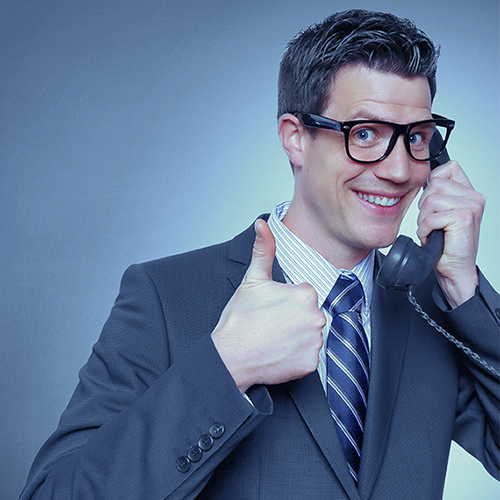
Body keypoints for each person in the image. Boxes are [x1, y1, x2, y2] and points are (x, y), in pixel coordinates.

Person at [20, 9, 499, 500]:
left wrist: (464, 284)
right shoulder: (165, 297)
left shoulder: (436, 307)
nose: (400, 171)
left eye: (416, 138)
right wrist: (226, 367)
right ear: (295, 137)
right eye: (365, 134)